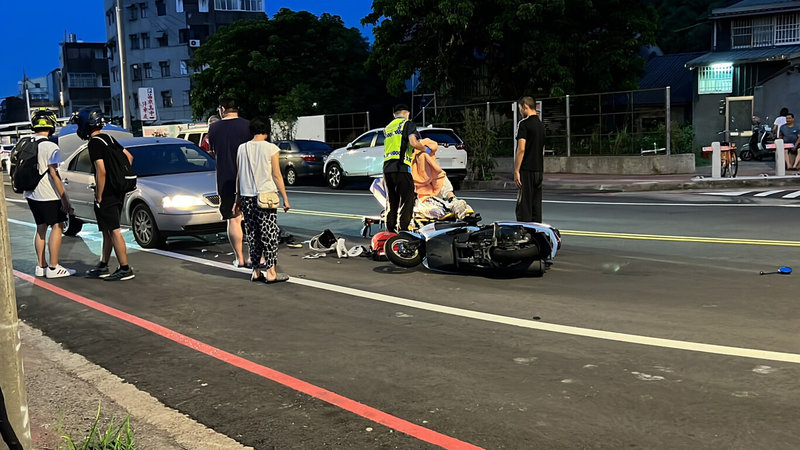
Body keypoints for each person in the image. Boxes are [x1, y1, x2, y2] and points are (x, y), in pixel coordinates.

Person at [75, 108, 135, 281]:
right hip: (118, 190)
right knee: (107, 230)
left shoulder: (94, 143)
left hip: (107, 192)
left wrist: (99, 195)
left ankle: (124, 268)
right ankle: (103, 265)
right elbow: (129, 157)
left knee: (114, 230)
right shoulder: (108, 138)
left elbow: (101, 171)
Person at [234, 118, 290, 283]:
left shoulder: (241, 148)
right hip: (265, 197)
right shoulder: (271, 148)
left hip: (246, 197)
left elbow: (238, 175)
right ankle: (271, 272)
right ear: (266, 131)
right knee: (269, 234)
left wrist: (237, 198)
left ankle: (256, 271)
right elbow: (277, 175)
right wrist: (285, 198)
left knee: (252, 234)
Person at [23, 108, 75, 278]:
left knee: (41, 228)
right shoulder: (51, 146)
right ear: (51, 124)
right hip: (48, 195)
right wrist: (65, 199)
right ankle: (53, 267)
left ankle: (41, 266)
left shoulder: (26, 143)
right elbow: (54, 173)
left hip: (31, 194)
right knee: (58, 226)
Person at [208, 97, 252, 268]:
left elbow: (213, 151)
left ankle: (239, 258)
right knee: (252, 219)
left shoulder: (214, 128)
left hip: (226, 179)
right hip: (248, 178)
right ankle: (258, 257)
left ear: (223, 109)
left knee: (233, 219)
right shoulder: (248, 126)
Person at [383, 104, 425, 232]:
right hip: (401, 167)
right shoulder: (407, 124)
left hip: (387, 168)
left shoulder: (388, 128)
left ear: (394, 114)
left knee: (392, 200)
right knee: (408, 199)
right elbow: (413, 142)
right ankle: (403, 229)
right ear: (406, 113)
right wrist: (424, 148)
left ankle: (390, 229)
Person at [514, 96, 545, 223]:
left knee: (524, 206)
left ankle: (524, 233)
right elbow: (542, 150)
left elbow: (521, 149)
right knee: (536, 205)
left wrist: (516, 170)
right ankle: (537, 233)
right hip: (539, 170)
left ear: (525, 107)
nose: (520, 111)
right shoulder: (541, 125)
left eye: (521, 108)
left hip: (526, 170)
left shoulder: (524, 124)